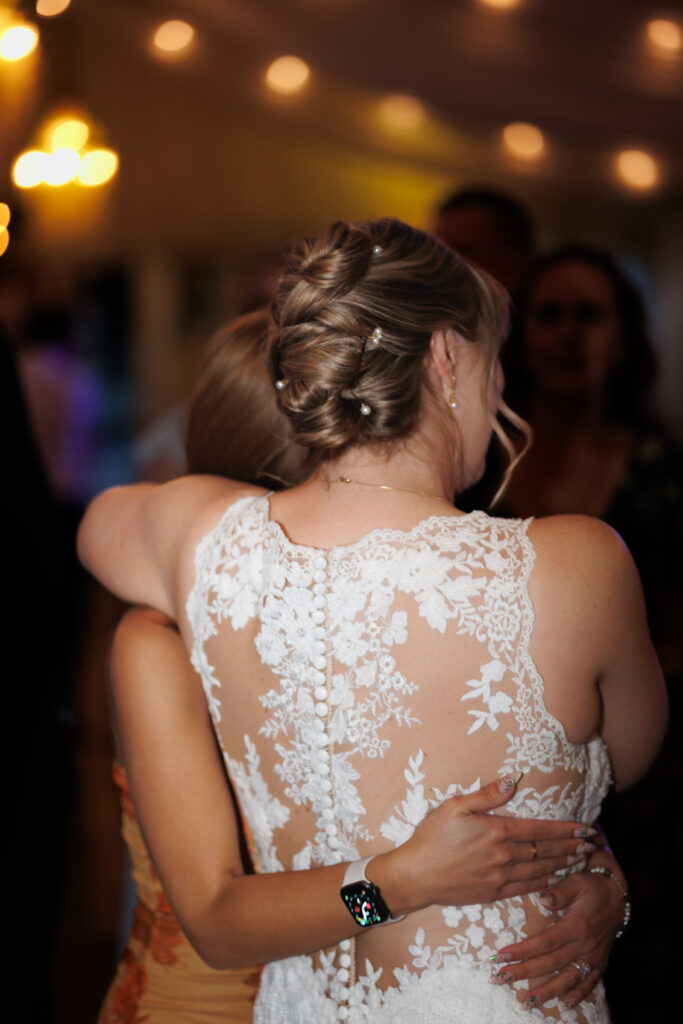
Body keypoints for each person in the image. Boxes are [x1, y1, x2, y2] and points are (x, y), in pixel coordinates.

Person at [78, 218, 666, 1023]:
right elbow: (628, 760)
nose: (501, 397)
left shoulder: (208, 544)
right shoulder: (579, 562)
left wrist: (292, 520)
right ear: (444, 358)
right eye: (496, 367)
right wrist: (400, 883)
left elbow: (101, 524)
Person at [98, 310, 307, 1023]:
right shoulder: (159, 647)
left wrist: (599, 884)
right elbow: (218, 924)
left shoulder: (413, 624)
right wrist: (396, 892)